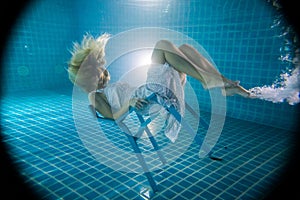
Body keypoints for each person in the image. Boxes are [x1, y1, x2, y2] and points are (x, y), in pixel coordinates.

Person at [67, 33, 252, 140]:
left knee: (186, 48)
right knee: (162, 45)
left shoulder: (106, 87)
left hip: (152, 92)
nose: (103, 74)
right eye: (98, 74)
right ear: (88, 79)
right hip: (148, 99)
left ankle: (220, 81)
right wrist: (130, 102)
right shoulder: (94, 96)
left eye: (101, 70)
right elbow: (114, 116)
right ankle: (211, 82)